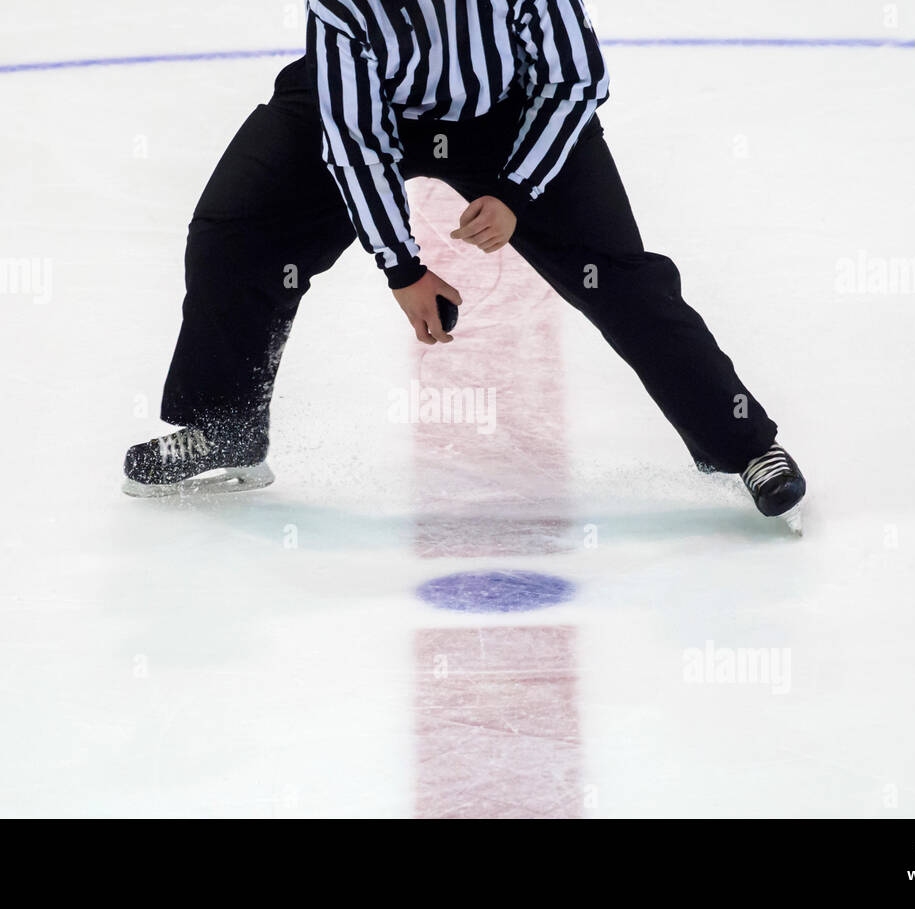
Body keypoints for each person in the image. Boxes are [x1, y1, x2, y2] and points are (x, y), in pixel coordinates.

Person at [123, 0, 805, 527]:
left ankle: (744, 445)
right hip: (374, 99)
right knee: (236, 230)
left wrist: (515, 191)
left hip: (510, 110)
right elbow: (355, 139)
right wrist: (402, 267)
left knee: (618, 274)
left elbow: (574, 77)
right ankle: (225, 427)